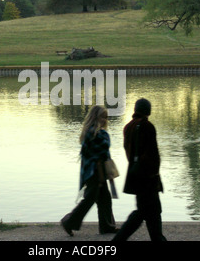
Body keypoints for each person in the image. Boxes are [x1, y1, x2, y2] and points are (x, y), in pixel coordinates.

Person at [112, 98, 167, 241]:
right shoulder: (147, 126)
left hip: (135, 176)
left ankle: (158, 238)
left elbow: (129, 151)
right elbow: (153, 155)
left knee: (151, 211)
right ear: (148, 110)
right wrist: (155, 177)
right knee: (144, 212)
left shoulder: (128, 127)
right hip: (148, 177)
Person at [61, 105, 118, 237]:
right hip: (94, 172)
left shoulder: (91, 132)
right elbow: (102, 150)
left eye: (106, 117)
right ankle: (68, 222)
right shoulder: (94, 133)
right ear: (95, 117)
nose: (105, 120)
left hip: (96, 171)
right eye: (103, 117)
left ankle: (107, 226)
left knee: (105, 199)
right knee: (89, 199)